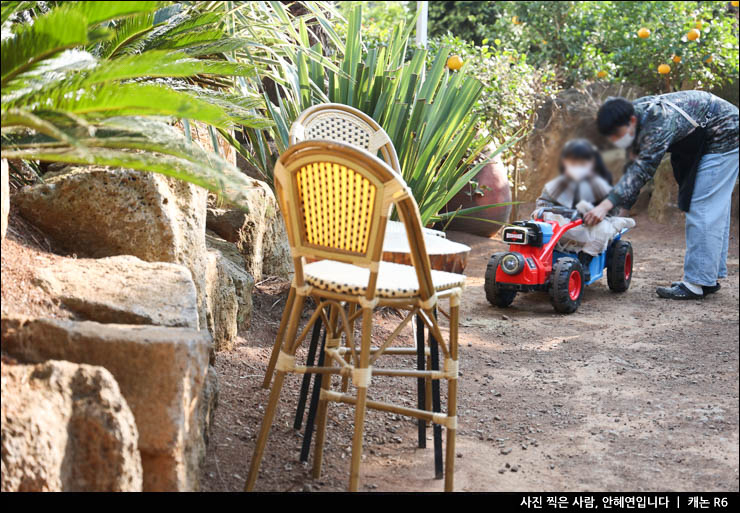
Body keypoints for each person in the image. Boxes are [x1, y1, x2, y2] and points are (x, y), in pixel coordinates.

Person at [587, 91, 739, 300]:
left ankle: (697, 283)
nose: (616, 140)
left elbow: (643, 169)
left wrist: (606, 207)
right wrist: (619, 213)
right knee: (711, 207)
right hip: (711, 132)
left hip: (726, 134)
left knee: (702, 207)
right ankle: (707, 278)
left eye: (618, 134)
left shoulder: (658, 121)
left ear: (631, 121)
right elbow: (631, 167)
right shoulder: (631, 117)